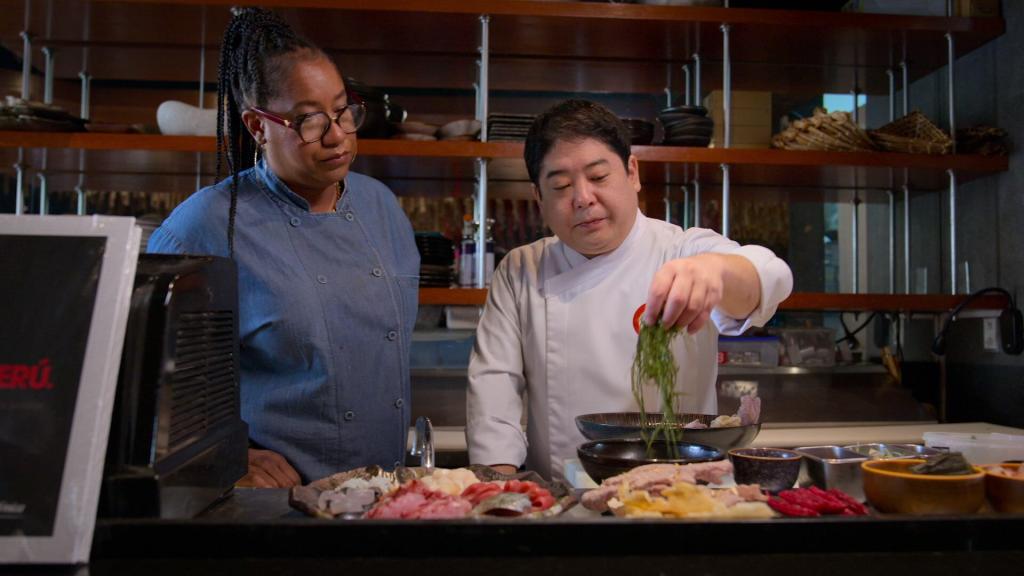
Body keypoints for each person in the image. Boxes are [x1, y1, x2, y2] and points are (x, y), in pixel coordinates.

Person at [148, 7, 419, 487]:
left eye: (342, 110)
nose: (337, 135)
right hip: (281, 502)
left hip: (386, 496)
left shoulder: (382, 207)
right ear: (258, 127)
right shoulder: (204, 225)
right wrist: (232, 453)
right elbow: (146, 385)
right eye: (308, 120)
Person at [466, 100, 793, 481]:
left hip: (681, 496)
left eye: (599, 177)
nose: (583, 198)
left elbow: (768, 277)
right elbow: (494, 391)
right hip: (562, 504)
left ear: (632, 172)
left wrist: (713, 271)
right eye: (560, 186)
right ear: (539, 198)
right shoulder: (521, 269)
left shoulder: (681, 249)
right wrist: (498, 495)